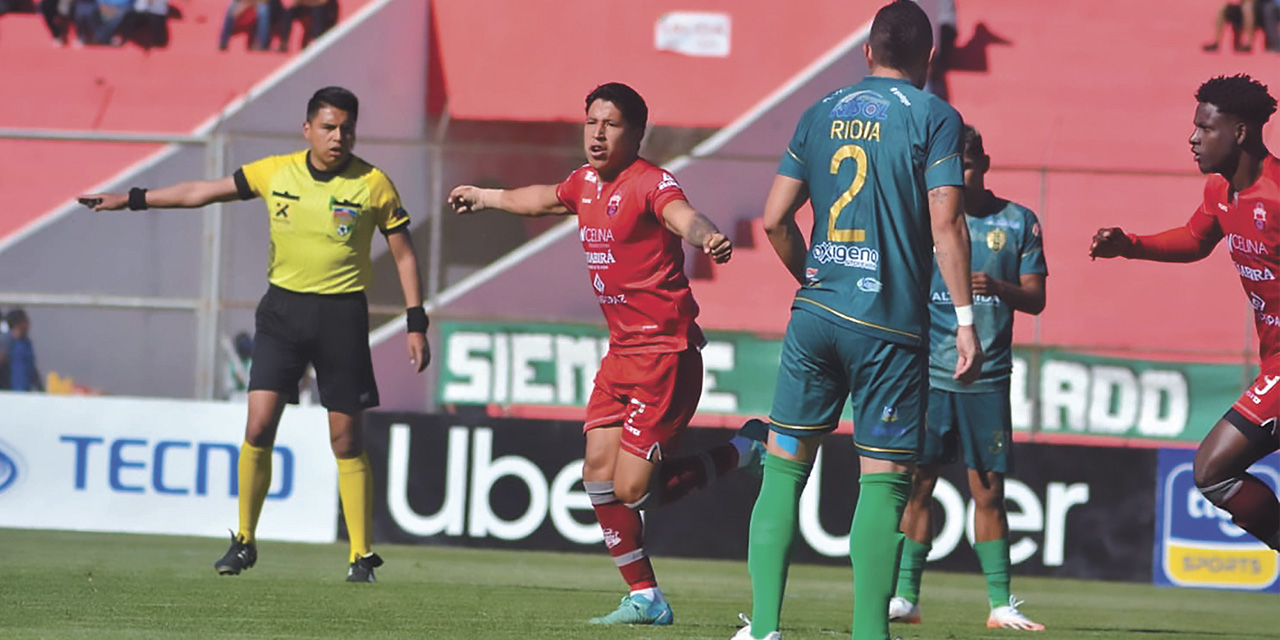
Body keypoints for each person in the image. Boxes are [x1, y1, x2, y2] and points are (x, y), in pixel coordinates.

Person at [80, 86, 431, 582]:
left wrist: (416, 321)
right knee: (259, 426)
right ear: (307, 128)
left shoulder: (373, 184)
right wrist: (133, 199)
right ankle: (244, 540)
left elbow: (404, 254)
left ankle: (360, 555)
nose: (338, 137)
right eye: (328, 127)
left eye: (347, 128)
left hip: (342, 317)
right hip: (282, 314)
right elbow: (203, 192)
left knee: (345, 438)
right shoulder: (275, 172)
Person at [449, 82, 767, 626]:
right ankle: (646, 597)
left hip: (666, 355)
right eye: (591, 121)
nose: (597, 133)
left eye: (611, 123)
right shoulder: (584, 182)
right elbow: (544, 198)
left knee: (632, 491)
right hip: (622, 353)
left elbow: (682, 215)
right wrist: (486, 197)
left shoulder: (651, 183)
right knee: (597, 476)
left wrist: (707, 235)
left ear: (636, 133)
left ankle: (746, 448)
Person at [731, 2, 983, 639]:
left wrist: (816, 280)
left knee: (785, 466)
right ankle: (871, 633)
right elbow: (947, 222)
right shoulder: (937, 117)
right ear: (929, 58)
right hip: (889, 327)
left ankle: (762, 630)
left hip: (816, 315)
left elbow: (774, 220)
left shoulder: (820, 112)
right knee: (886, 481)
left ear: (867, 51)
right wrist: (964, 320)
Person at [1090, 74, 1279, 552]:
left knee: (1213, 469)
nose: (1192, 138)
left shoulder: (1277, 196)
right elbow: (1195, 240)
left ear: (1239, 131)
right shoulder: (1220, 192)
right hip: (1272, 360)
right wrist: (1129, 245)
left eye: (1204, 128)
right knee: (1214, 473)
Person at [887, 125, 1047, 632]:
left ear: (986, 164)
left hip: (987, 377)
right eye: (955, 167)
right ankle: (906, 597)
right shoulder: (923, 220)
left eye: (971, 165)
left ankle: (1000, 605)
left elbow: (1036, 298)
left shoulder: (1018, 221)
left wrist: (998, 287)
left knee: (989, 490)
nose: (963, 175)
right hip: (929, 375)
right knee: (919, 485)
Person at [5, 309, 44, 393]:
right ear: (18, 324)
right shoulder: (7, 342)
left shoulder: (25, 343)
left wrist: (40, 388)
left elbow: (31, 368)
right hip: (11, 391)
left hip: (25, 390)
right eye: (25, 321)